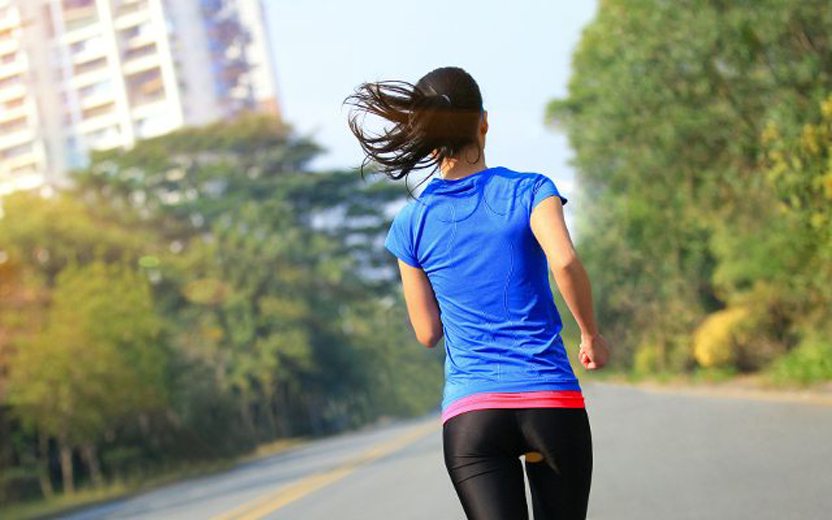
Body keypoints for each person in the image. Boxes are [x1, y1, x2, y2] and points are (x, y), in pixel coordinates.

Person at [343, 66, 611, 520]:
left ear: (424, 135)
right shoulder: (530, 190)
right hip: (549, 400)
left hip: (473, 416)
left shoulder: (411, 223)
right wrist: (590, 334)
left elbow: (427, 332)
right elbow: (563, 261)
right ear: (483, 122)